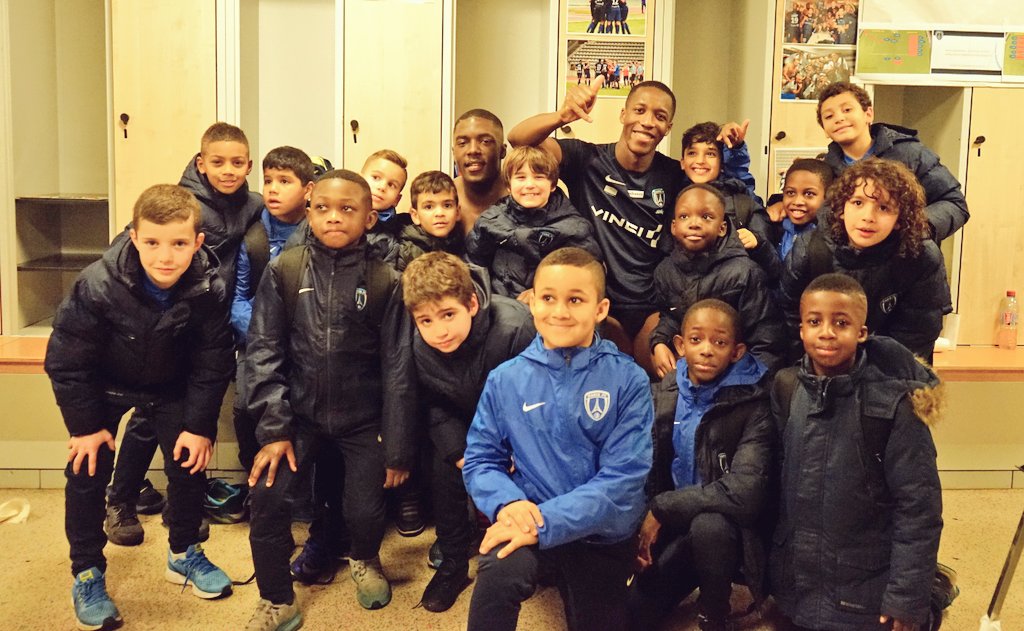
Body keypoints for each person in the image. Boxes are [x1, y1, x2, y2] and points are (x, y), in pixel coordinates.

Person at [45, 184, 236, 630]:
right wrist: (85, 426)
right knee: (87, 468)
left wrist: (199, 425)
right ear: (133, 237)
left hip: (170, 387)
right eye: (152, 242)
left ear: (197, 242)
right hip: (105, 386)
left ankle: (183, 553)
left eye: (178, 244)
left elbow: (212, 361)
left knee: (189, 463)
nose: (165, 256)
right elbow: (67, 361)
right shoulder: (96, 284)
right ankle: (87, 572)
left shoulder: (209, 287)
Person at [243, 170, 417, 629]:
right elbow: (263, 352)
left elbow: (398, 367)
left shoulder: (386, 280)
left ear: (369, 218)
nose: (333, 217)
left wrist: (397, 446)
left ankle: (364, 558)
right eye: (322, 208)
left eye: (347, 209)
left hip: (363, 420)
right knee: (267, 497)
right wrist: (274, 430)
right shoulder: (284, 270)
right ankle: (277, 599)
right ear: (309, 212)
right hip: (296, 418)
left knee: (365, 510)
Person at [462, 247, 654, 631]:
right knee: (497, 576)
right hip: (529, 517)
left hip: (600, 534)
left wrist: (545, 522)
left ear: (600, 309)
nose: (560, 312)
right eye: (548, 298)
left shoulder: (629, 380)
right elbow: (481, 459)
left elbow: (623, 480)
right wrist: (509, 504)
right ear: (531, 302)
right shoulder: (506, 379)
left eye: (575, 300)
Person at [508, 79, 751, 359]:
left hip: (654, 307)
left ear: (668, 128)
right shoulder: (586, 159)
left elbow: (721, 185)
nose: (647, 122)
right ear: (623, 114)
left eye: (659, 116)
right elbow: (518, 139)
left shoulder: (674, 174)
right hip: (597, 302)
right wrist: (561, 116)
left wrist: (732, 146)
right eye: (639, 110)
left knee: (662, 376)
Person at [105, 121, 262, 546]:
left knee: (196, 417)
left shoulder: (252, 204)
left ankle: (182, 505)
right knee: (148, 416)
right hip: (167, 327)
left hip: (211, 326)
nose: (227, 170)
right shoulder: (179, 203)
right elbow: (128, 250)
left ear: (249, 166)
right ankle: (120, 500)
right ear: (201, 162)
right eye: (217, 162)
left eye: (236, 162)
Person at [771, 273, 943, 631]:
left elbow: (918, 508)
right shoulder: (787, 388)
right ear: (801, 330)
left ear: (862, 332)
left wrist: (906, 598)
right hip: (798, 591)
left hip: (866, 595)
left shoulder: (893, 405)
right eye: (814, 322)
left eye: (841, 323)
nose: (827, 333)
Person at [402, 252, 536, 612]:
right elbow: (434, 404)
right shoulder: (421, 344)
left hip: (519, 431)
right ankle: (453, 563)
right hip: (464, 426)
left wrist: (515, 451)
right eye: (426, 320)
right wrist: (461, 453)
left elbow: (537, 398)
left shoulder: (516, 328)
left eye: (448, 315)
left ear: (472, 304)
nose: (439, 331)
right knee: (443, 470)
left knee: (532, 478)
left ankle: (539, 549)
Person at [628, 299, 773, 631]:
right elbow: (639, 470)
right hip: (671, 525)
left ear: (736, 352)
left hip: (725, 531)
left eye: (719, 342)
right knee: (630, 617)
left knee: (710, 526)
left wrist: (662, 508)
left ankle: (714, 613)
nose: (706, 350)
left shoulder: (754, 403)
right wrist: (638, 528)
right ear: (680, 345)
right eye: (696, 340)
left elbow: (745, 493)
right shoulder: (659, 394)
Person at [779, 158, 952, 362]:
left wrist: (867, 376)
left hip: (891, 370)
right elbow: (791, 323)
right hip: (819, 364)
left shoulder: (920, 257)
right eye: (858, 203)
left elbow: (916, 336)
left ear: (900, 219)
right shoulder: (809, 249)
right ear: (841, 208)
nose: (868, 217)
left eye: (884, 208)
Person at [230, 146, 315, 477]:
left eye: (285, 181)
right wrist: (263, 334)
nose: (273, 189)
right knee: (245, 406)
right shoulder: (253, 238)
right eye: (268, 181)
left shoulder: (317, 232)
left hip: (305, 340)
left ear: (308, 190)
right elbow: (238, 299)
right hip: (257, 339)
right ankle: (254, 480)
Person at [649, 185, 784, 378]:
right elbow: (671, 316)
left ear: (722, 228)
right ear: (674, 227)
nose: (694, 224)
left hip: (738, 380)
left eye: (706, 217)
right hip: (691, 376)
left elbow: (766, 343)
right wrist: (659, 341)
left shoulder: (745, 273)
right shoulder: (665, 271)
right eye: (684, 216)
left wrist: (744, 386)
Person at [817, 81, 969, 241]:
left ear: (868, 114)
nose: (839, 118)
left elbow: (954, 203)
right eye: (829, 116)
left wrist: (911, 229)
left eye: (847, 110)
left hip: (906, 252)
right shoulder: (824, 170)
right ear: (824, 129)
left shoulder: (910, 154)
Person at [466, 146, 601, 300]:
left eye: (539, 177)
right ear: (509, 186)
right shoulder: (490, 220)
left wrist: (542, 292)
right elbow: (474, 264)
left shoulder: (574, 227)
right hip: (499, 303)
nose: (530, 184)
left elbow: (588, 272)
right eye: (521, 177)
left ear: (552, 185)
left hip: (551, 304)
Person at [743, 158, 834, 283]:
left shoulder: (830, 237)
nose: (797, 201)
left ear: (827, 197)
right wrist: (759, 246)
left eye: (809, 194)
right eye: (790, 193)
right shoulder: (773, 226)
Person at [388, 170, 465, 271]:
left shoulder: (460, 243)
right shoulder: (408, 254)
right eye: (429, 207)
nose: (439, 213)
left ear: (457, 212)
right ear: (415, 215)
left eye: (447, 205)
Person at [453, 109, 508, 233]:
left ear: (502, 151)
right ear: (453, 153)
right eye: (462, 143)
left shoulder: (522, 198)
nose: (473, 150)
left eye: (485, 141)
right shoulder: (441, 199)